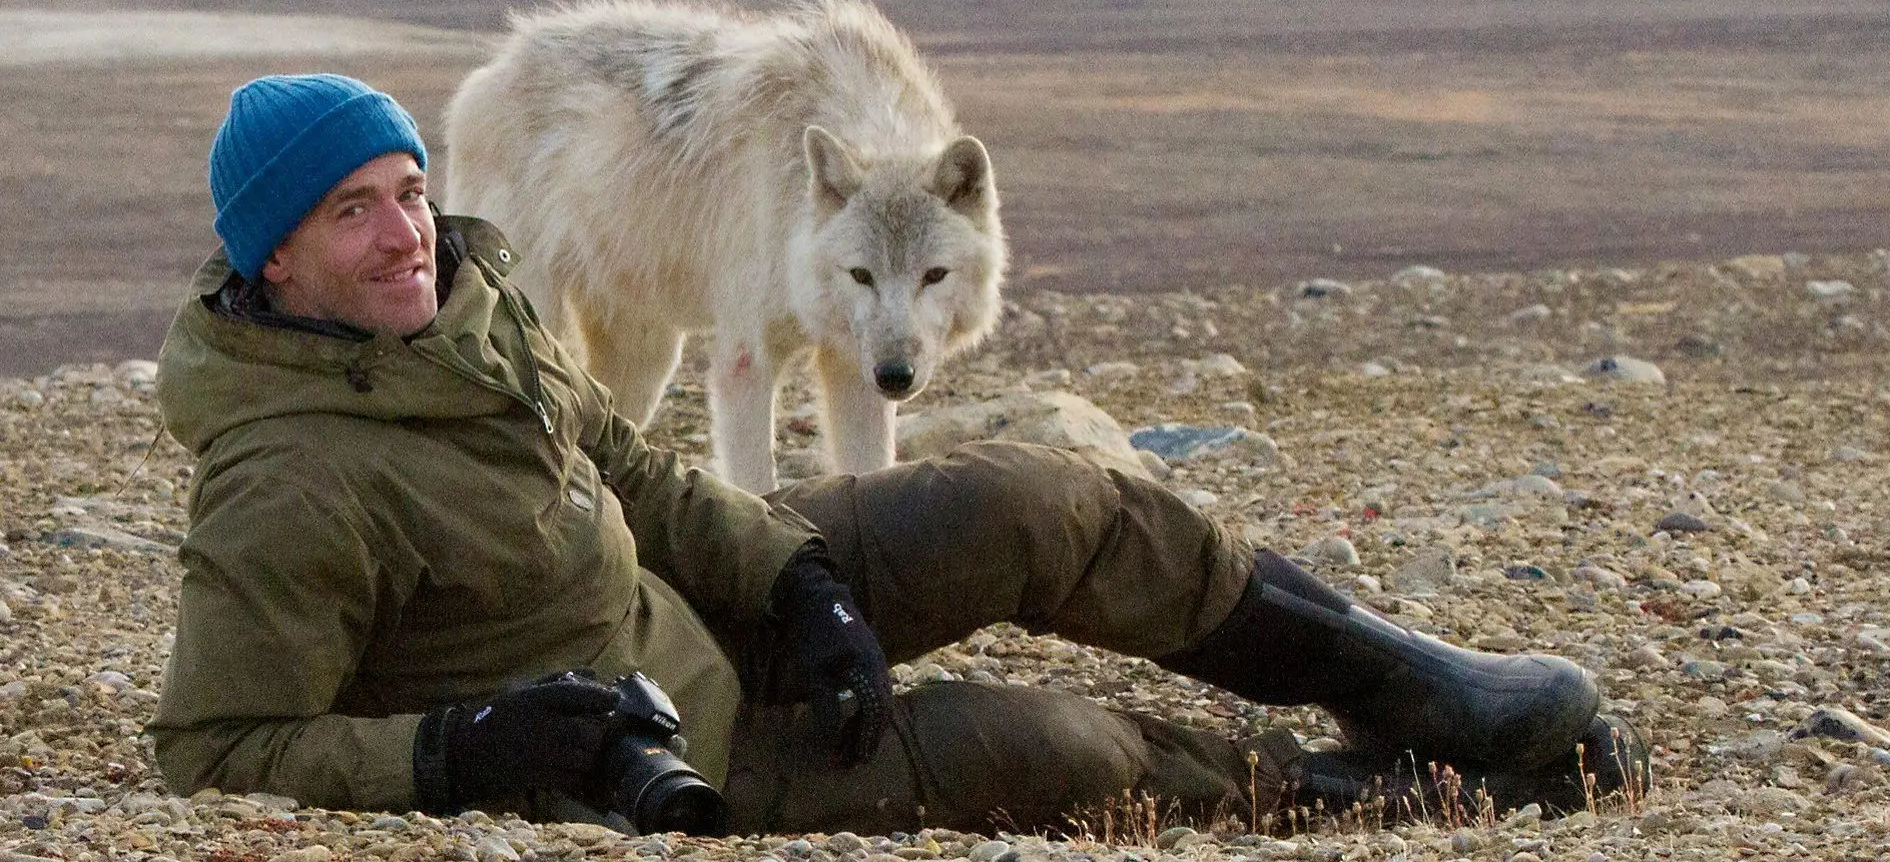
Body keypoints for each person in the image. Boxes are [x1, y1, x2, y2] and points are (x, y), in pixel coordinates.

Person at [148, 73, 1646, 835]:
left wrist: (797, 578)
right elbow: (212, 750)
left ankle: (1411, 682)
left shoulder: (466, 317)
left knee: (1037, 504)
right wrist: (461, 754)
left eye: (407, 189)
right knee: (1058, 751)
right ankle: (1368, 789)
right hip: (674, 745)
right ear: (272, 257)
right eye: (353, 209)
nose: (407, 230)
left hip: (706, 601)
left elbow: (636, 469)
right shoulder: (284, 483)